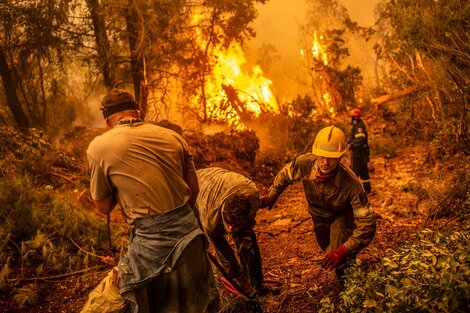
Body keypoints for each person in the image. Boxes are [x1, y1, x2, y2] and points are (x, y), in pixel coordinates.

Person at [86, 88, 218, 313]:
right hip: (191, 240)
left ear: (108, 119)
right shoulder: (173, 136)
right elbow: (193, 191)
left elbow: (104, 207)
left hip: (149, 245)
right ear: (139, 111)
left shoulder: (99, 146)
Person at [260, 125, 376, 280]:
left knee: (338, 257)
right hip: (318, 216)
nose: (325, 163)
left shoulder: (352, 183)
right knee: (326, 248)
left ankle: (348, 283)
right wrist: (272, 196)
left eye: (332, 157)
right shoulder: (304, 164)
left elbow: (368, 224)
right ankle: (348, 259)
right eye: (322, 156)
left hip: (341, 216)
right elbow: (285, 174)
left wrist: (343, 249)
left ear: (341, 157)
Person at [195, 167, 265, 297]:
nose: (231, 229)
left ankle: (257, 283)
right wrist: (240, 280)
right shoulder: (210, 220)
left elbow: (247, 231)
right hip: (197, 185)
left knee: (246, 239)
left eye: (236, 224)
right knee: (200, 240)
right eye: (228, 223)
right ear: (223, 212)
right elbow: (225, 255)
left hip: (228, 182)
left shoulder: (253, 199)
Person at [349, 108, 371, 193]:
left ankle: (351, 191)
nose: (352, 118)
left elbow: (360, 140)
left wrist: (351, 145)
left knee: (355, 172)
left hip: (359, 153)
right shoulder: (356, 126)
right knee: (363, 172)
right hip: (361, 153)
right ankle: (367, 190)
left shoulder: (359, 127)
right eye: (352, 117)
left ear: (358, 117)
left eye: (354, 117)